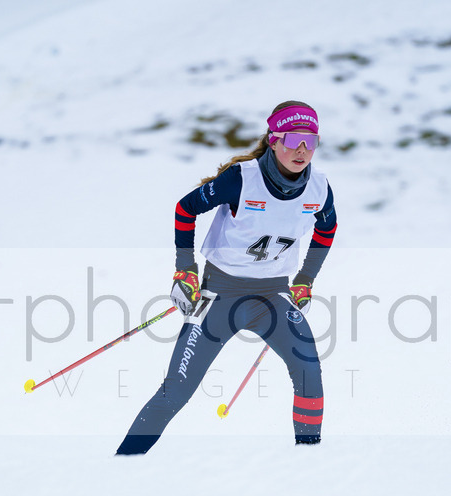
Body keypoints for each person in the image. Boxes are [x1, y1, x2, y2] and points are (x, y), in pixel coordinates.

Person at [115, 100, 339, 455]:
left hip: (274, 299)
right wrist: (185, 270)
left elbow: (327, 229)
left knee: (309, 373)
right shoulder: (241, 179)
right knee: (177, 390)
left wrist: (305, 279)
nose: (302, 150)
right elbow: (185, 209)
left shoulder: (320, 188)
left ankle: (308, 464)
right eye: (294, 139)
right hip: (220, 296)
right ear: (274, 139)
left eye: (311, 142)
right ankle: (124, 462)